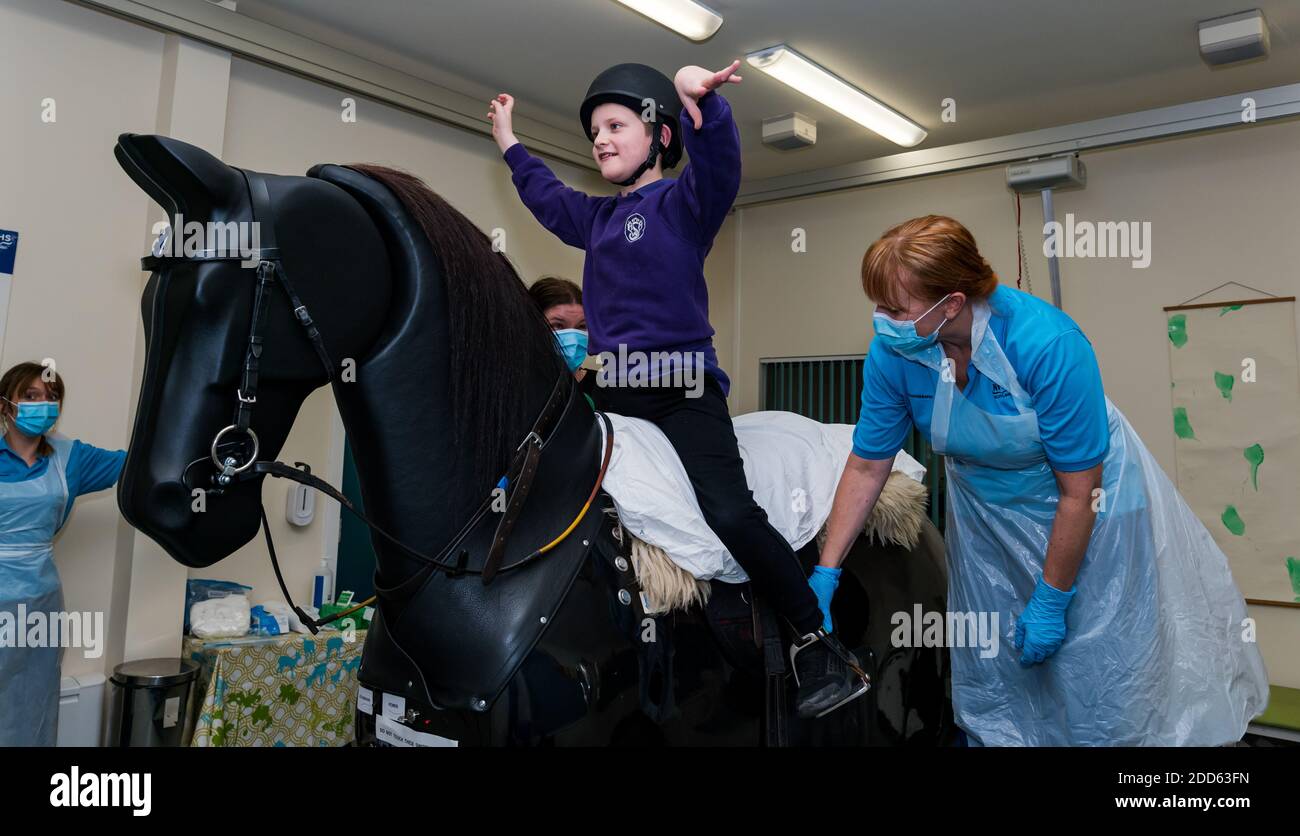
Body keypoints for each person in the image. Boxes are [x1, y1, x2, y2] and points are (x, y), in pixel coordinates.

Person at [490, 62, 869, 718]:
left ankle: (817, 639)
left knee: (729, 511)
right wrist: (509, 144)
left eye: (614, 125)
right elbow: (546, 196)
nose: (599, 140)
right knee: (536, 458)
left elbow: (720, 163)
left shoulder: (686, 203)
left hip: (683, 389)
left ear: (661, 135)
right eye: (593, 133)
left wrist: (704, 106)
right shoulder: (595, 220)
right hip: (613, 386)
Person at [816, 215, 1269, 745]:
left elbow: (1081, 491)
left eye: (895, 308)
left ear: (953, 303)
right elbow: (869, 464)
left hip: (1093, 515)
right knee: (998, 665)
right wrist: (827, 569)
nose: (880, 320)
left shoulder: (1046, 343)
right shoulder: (895, 354)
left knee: (1100, 668)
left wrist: (1053, 598)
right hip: (987, 519)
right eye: (878, 306)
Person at [0, 362, 127, 746]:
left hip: (40, 603)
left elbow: (139, 463)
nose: (43, 404)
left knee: (32, 700)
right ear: (6, 405)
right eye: (31, 396)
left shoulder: (70, 458)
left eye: (51, 397)